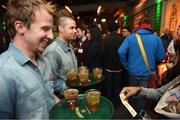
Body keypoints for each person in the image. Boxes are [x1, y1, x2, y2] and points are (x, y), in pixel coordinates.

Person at [0, 0, 57, 118]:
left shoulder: (44, 62)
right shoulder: (3, 72)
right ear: (20, 27)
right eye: (45, 29)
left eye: (51, 30)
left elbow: (48, 98)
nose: (51, 36)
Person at [117, 18, 165, 112]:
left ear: (139, 26)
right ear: (150, 26)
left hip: (132, 72)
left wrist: (126, 65)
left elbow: (120, 51)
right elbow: (161, 57)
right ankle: (140, 116)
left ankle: (131, 113)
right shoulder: (156, 39)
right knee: (142, 96)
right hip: (147, 73)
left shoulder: (130, 37)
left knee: (131, 93)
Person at [43, 14, 77, 97]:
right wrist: (71, 89)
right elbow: (49, 82)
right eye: (71, 28)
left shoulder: (70, 46)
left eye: (75, 28)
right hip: (62, 98)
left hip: (74, 93)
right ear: (61, 29)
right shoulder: (52, 51)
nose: (75, 31)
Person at [103, 22, 124, 108]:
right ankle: (117, 104)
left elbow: (103, 53)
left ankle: (108, 104)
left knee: (108, 87)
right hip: (118, 67)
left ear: (109, 30)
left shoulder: (106, 39)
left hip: (108, 67)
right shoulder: (122, 39)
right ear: (117, 29)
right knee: (117, 87)